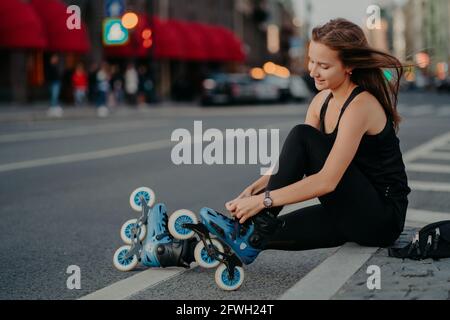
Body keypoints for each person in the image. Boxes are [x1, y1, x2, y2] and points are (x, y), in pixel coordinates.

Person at [135, 18, 412, 268]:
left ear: (350, 66)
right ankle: (171, 249)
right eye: (311, 60)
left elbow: (327, 180)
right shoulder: (321, 102)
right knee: (258, 236)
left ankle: (255, 228)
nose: (313, 71)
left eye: (324, 65)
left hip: (381, 218)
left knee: (301, 136)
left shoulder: (360, 106)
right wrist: (257, 186)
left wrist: (263, 201)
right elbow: (295, 162)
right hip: (349, 208)